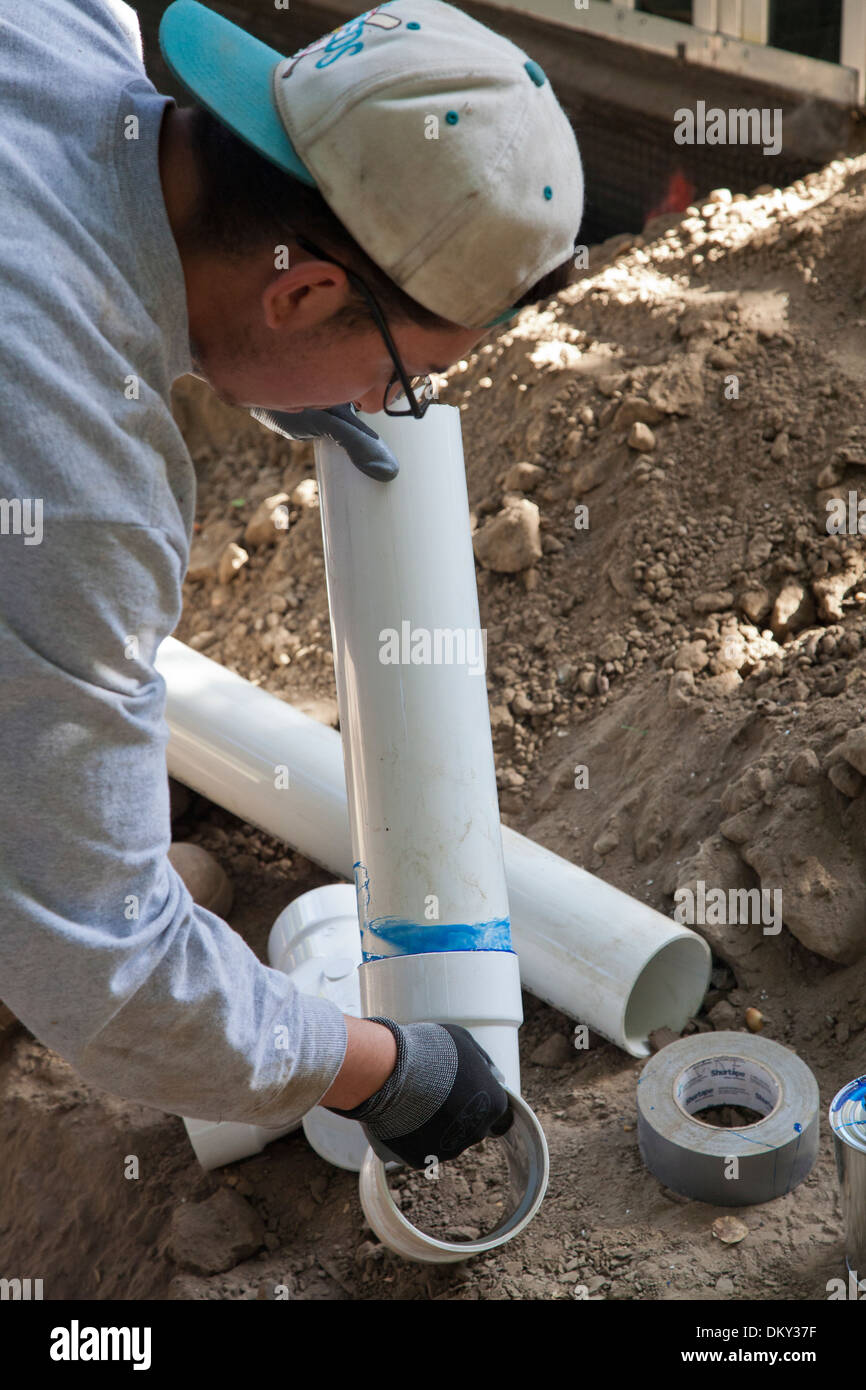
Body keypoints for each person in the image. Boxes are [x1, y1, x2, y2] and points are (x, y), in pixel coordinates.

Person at [0, 0, 583, 1170]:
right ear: (306, 293)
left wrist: (275, 375)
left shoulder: (60, 25)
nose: (380, 410)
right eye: (402, 374)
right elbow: (109, 973)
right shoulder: (70, 490)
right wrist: (378, 1070)